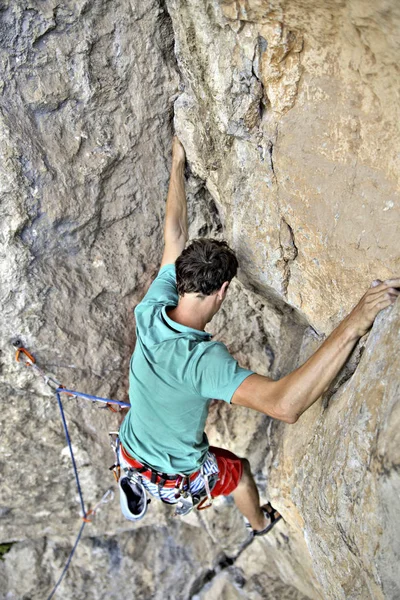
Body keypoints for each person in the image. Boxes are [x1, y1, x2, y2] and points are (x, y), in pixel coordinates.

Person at [117, 136, 400, 536]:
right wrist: (357, 318)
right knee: (241, 473)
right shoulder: (203, 363)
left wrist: (177, 162)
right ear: (223, 292)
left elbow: (174, 235)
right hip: (174, 468)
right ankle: (260, 524)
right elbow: (284, 405)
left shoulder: (151, 308)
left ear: (180, 280)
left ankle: (135, 479)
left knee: (161, 449)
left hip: (133, 445)